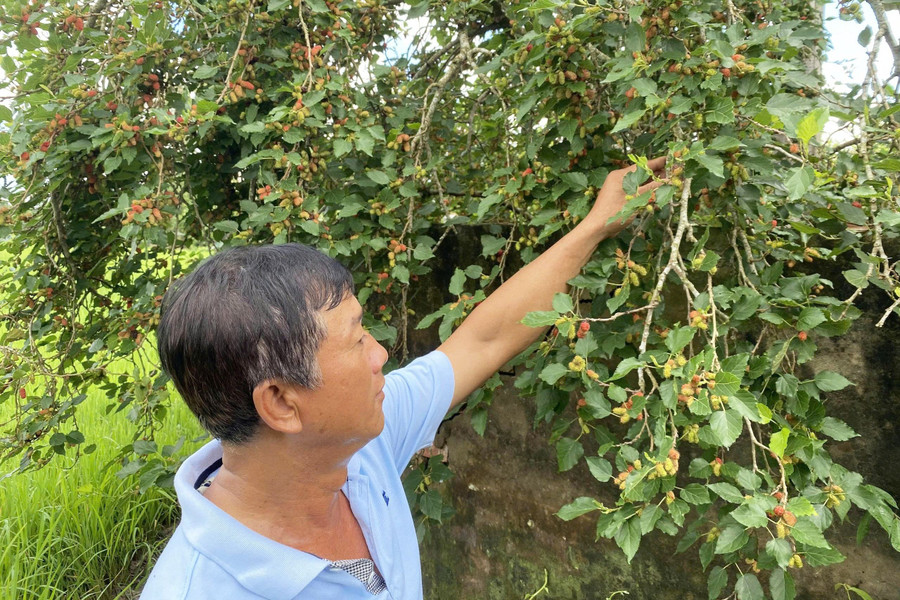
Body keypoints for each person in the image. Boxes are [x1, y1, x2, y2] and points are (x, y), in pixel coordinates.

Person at [139, 158, 666, 599]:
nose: (381, 354)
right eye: (356, 339)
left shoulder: (359, 449)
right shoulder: (198, 589)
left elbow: (483, 340)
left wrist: (597, 224)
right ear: (280, 403)